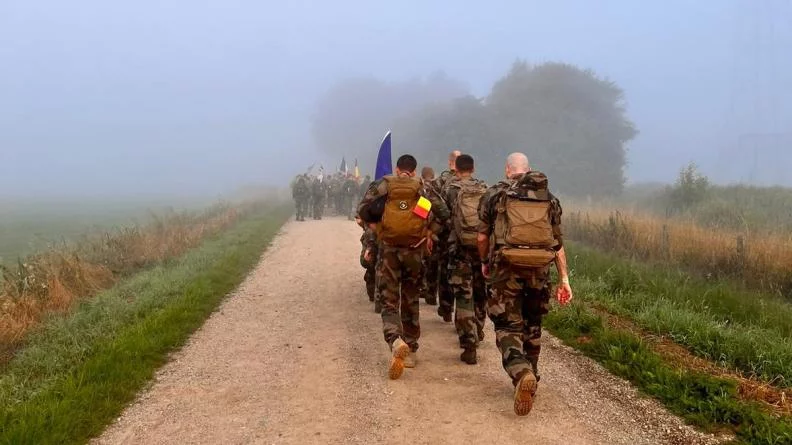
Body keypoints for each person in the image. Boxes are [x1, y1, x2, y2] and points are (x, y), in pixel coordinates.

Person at [477, 152, 572, 416]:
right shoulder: (549, 198)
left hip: (505, 271)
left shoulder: (494, 195)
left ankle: (521, 372)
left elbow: (482, 237)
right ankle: (533, 375)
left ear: (508, 169)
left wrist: (485, 262)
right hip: (539, 272)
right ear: (528, 170)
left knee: (507, 326)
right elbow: (558, 245)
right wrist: (564, 279)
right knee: (533, 323)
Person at [358, 154, 449, 380]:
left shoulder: (384, 185)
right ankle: (411, 348)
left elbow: (362, 212)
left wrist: (378, 231)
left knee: (389, 300)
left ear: (398, 169)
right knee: (410, 297)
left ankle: (394, 339)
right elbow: (444, 214)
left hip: (388, 250)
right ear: (414, 171)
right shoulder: (422, 188)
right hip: (414, 251)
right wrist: (427, 233)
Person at [443, 154, 488, 364]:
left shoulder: (450, 189)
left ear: (456, 169)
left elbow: (440, 215)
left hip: (458, 250)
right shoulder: (485, 189)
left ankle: (469, 345)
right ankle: (478, 329)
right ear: (473, 168)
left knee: (463, 296)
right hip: (481, 250)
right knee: (480, 293)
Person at [432, 150, 461, 322]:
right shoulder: (478, 185)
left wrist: (428, 232)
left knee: (444, 272)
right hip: (467, 238)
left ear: (450, 163)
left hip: (444, 236)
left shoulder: (440, 182)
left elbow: (428, 207)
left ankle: (446, 308)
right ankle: (472, 321)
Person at [419, 166, 439, 305]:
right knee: (434, 263)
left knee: (422, 261)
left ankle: (423, 287)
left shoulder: (421, 189)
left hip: (423, 231)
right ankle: (432, 292)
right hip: (436, 231)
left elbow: (420, 214)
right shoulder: (439, 188)